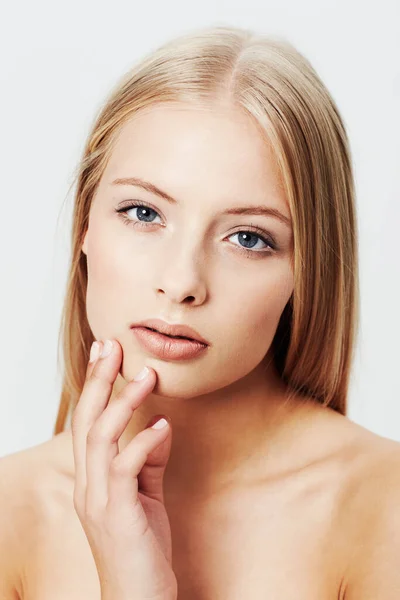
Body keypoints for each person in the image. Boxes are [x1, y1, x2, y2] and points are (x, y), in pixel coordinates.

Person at [1, 24, 399, 600]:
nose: (182, 283)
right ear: (85, 226)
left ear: (306, 271)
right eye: (143, 213)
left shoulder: (380, 508)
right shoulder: (14, 513)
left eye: (248, 238)